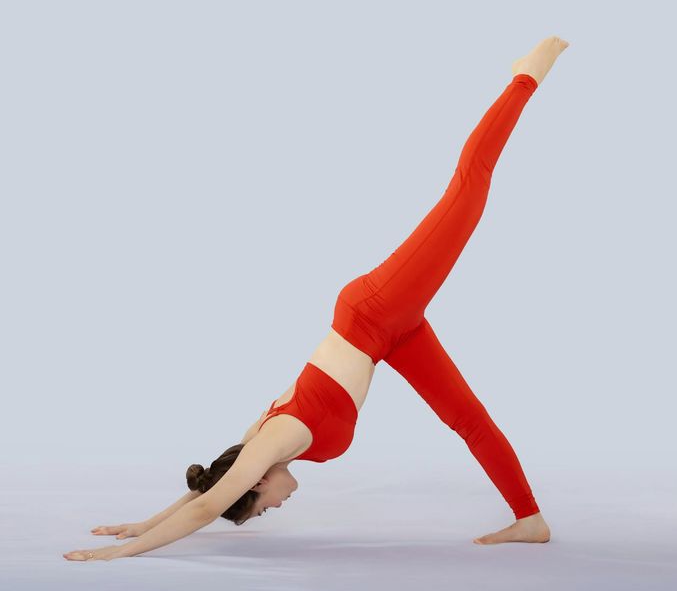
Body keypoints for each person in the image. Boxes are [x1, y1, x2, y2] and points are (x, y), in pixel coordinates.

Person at [64, 35, 569, 561]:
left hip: (375, 310)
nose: (274, 509)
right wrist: (141, 523)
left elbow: (207, 507)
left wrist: (117, 555)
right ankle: (529, 518)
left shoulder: (274, 441)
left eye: (261, 508)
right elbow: (207, 487)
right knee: (468, 418)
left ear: (257, 483)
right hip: (390, 336)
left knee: (467, 190)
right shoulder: (256, 439)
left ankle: (527, 74)